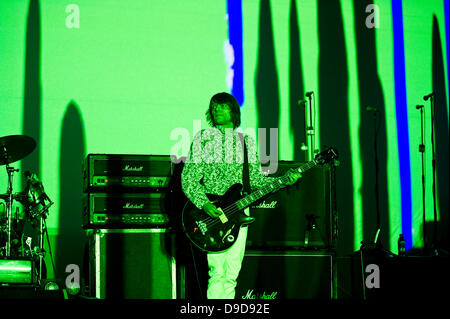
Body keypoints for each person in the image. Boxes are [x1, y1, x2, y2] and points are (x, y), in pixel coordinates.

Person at [181, 92, 301, 299]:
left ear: (233, 111)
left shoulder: (246, 142)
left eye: (222, 106)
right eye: (213, 106)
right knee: (217, 272)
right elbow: (189, 177)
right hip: (213, 210)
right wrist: (204, 204)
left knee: (231, 272)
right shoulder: (204, 138)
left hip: (239, 209)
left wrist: (282, 180)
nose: (216, 109)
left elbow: (255, 180)